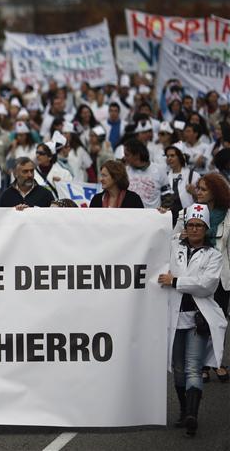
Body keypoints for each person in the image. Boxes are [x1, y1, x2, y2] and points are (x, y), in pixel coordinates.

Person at [158, 203, 227, 437]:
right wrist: (157, 217)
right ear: (186, 226)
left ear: (206, 228)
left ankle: (192, 415)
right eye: (191, 225)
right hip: (174, 317)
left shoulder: (213, 255)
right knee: (177, 368)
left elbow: (206, 285)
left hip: (199, 319)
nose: (195, 229)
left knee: (192, 368)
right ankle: (183, 410)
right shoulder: (173, 246)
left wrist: (175, 281)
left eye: (199, 225)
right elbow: (156, 236)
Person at [123, 139, 173, 209]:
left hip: (152, 217)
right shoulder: (124, 171)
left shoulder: (159, 170)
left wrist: (163, 210)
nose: (124, 158)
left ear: (137, 155)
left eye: (127, 155)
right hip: (131, 216)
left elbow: (167, 194)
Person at [165, 145, 199, 221]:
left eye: (172, 155)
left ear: (181, 157)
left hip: (188, 217)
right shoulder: (165, 176)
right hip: (169, 218)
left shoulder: (193, 175)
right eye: (167, 156)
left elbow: (203, 199)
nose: (169, 158)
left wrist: (194, 193)